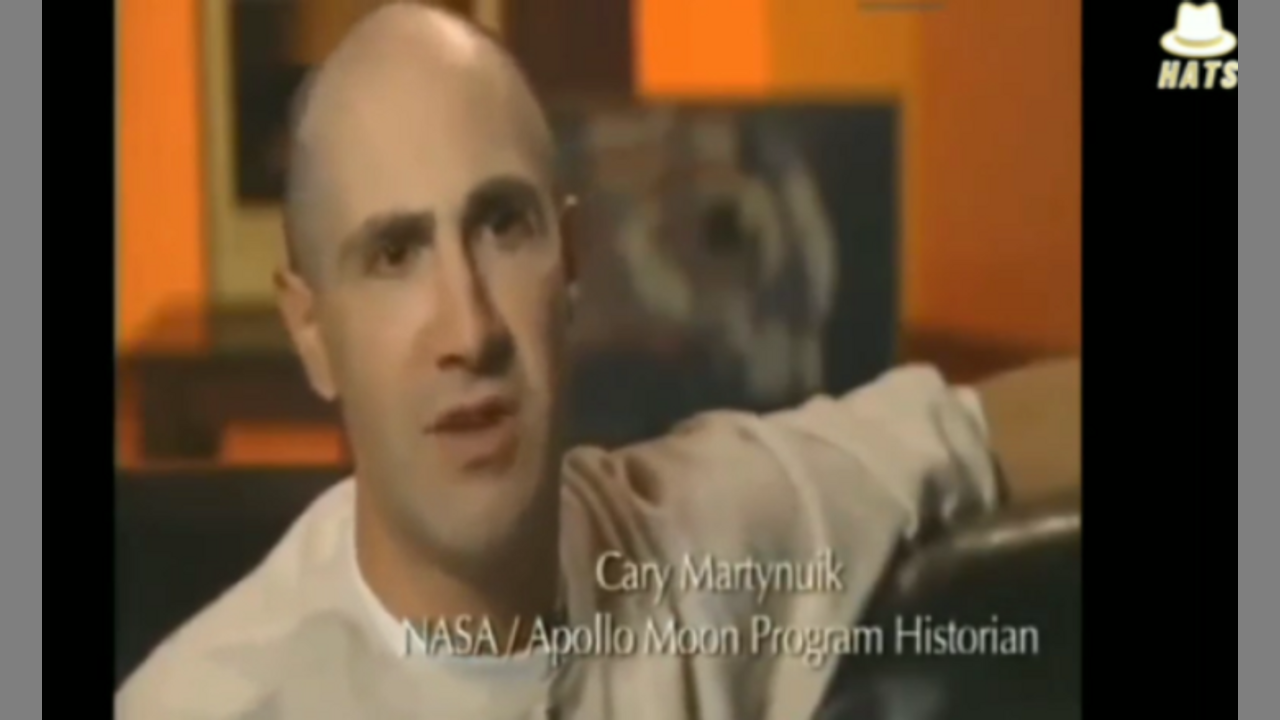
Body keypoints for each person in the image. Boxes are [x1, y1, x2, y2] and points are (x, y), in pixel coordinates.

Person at [115, 4, 1080, 719]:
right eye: (395, 254)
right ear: (311, 331)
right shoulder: (205, 706)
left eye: (503, 225)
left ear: (570, 265)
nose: (470, 329)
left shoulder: (707, 532)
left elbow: (979, 432)